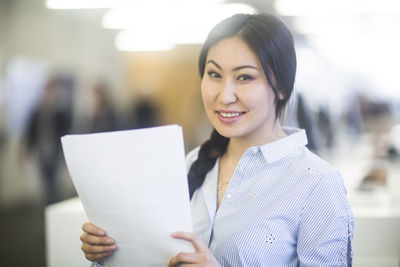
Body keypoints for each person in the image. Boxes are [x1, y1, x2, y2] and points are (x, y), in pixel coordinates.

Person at [79, 13, 354, 266]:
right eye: (214, 75)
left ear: (281, 87)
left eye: (245, 77)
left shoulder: (317, 183)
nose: (224, 96)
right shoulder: (191, 163)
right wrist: (110, 253)